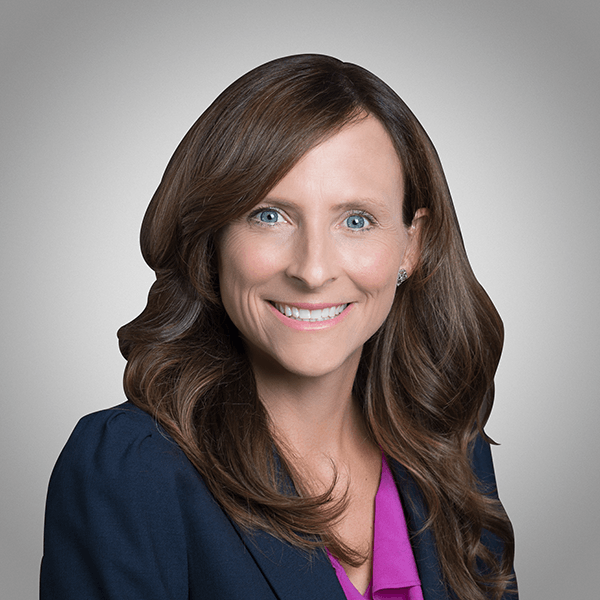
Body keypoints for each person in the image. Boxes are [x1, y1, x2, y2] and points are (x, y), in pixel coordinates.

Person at [40, 54, 517, 600]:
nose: (312, 270)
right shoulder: (130, 470)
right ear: (212, 236)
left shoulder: (450, 447)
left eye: (356, 220)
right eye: (269, 215)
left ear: (413, 243)